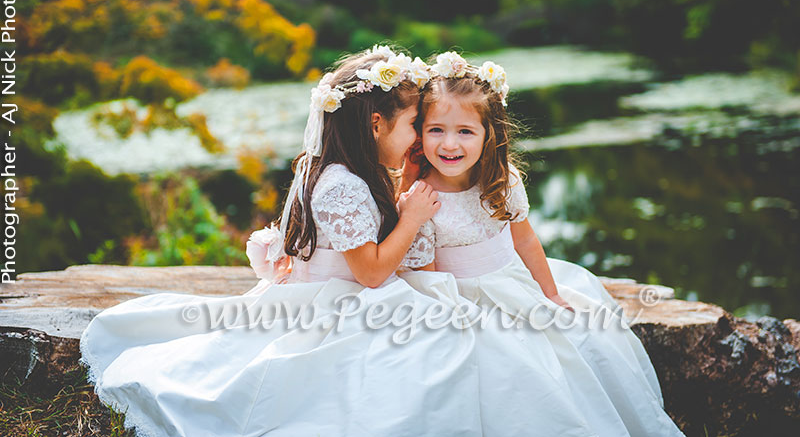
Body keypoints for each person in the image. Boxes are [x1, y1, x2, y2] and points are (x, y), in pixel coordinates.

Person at [79, 45, 483, 437]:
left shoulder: (352, 169)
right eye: (414, 124)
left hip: (343, 292)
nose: (417, 139)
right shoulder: (341, 185)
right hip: (335, 304)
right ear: (376, 124)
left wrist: (408, 185)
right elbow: (373, 273)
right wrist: (411, 219)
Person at [398, 51, 687, 436]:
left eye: (465, 131)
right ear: (420, 133)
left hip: (514, 286)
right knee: (510, 367)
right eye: (436, 130)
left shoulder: (502, 180)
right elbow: (429, 280)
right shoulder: (422, 199)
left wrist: (550, 294)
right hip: (457, 304)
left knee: (583, 341)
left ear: (490, 134)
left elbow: (526, 240)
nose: (449, 144)